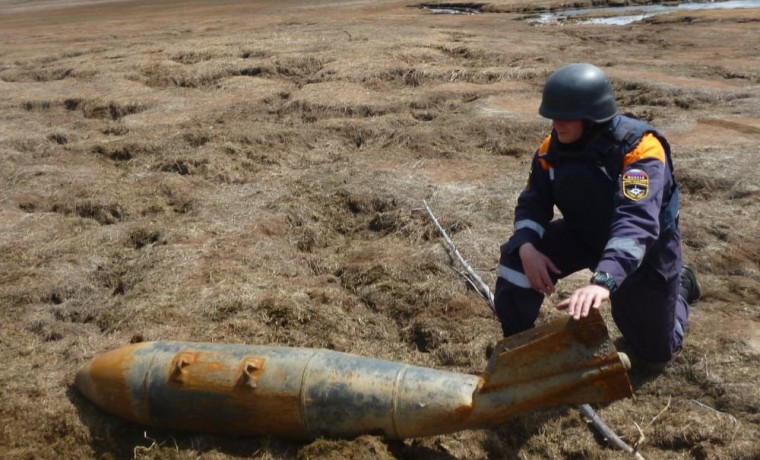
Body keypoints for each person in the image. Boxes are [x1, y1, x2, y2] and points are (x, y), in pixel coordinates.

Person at [494, 63, 701, 363]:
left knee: (655, 351)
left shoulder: (641, 150)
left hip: (644, 252)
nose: (556, 123)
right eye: (552, 114)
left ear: (593, 116)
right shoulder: (550, 150)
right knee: (516, 256)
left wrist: (604, 281)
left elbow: (637, 222)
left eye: (565, 115)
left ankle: (680, 284)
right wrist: (526, 246)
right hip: (584, 233)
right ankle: (515, 343)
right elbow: (532, 202)